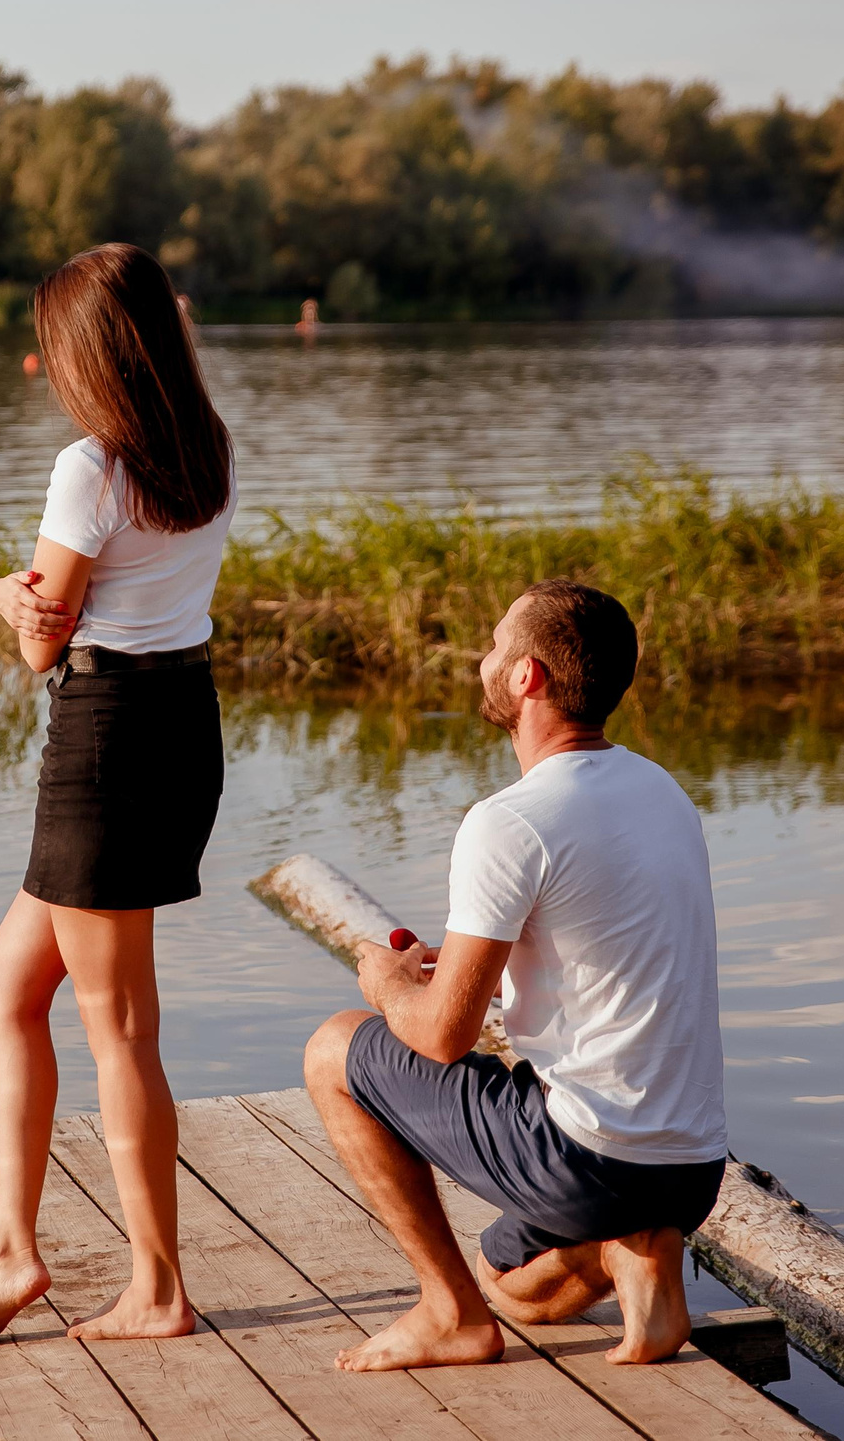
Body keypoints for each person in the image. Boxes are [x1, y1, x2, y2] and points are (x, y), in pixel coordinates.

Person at [0, 243, 237, 1352]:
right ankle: (14, 1249)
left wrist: (6, 595)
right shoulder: (207, 452)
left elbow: (38, 642)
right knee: (8, 984)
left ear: (87, 351)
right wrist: (37, 602)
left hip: (107, 738)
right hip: (180, 723)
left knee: (119, 1028)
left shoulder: (89, 468)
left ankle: (157, 1288)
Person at [302, 579, 727, 1373]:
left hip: (591, 1156)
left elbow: (438, 1035)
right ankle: (634, 1253)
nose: (482, 656)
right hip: (691, 1168)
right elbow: (605, 962)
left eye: (497, 644)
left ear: (527, 676)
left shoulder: (511, 819)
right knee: (515, 1285)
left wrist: (387, 981)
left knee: (334, 1050)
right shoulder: (664, 792)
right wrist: (470, 967)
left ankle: (445, 1314)